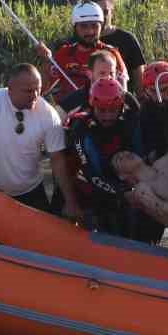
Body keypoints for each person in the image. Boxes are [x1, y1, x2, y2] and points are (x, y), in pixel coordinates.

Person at [0, 64, 67, 213]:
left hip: (32, 191)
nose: (35, 95)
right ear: (10, 89)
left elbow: (58, 160)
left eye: (38, 89)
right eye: (28, 91)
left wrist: (70, 201)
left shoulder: (49, 114)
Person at [61, 77, 145, 233]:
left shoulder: (131, 121)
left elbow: (140, 157)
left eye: (113, 110)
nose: (107, 116)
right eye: (102, 110)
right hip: (90, 193)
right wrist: (122, 193)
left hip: (125, 189)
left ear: (121, 107)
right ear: (92, 107)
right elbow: (91, 173)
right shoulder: (81, 129)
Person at [37, 2, 127, 101]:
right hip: (68, 112)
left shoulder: (111, 54)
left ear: (101, 27)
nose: (90, 31)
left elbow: (123, 93)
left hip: (102, 111)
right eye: (84, 26)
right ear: (75, 28)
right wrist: (46, 61)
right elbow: (43, 90)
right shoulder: (64, 53)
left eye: (94, 26)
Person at [88, 0, 145, 94]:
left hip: (121, 101)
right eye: (98, 12)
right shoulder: (82, 42)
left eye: (105, 12)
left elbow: (140, 82)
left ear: (112, 12)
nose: (102, 17)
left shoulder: (127, 39)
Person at [57, 49, 123, 114]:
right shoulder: (72, 101)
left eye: (111, 73)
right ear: (89, 74)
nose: (108, 77)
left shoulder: (125, 99)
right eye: (102, 73)